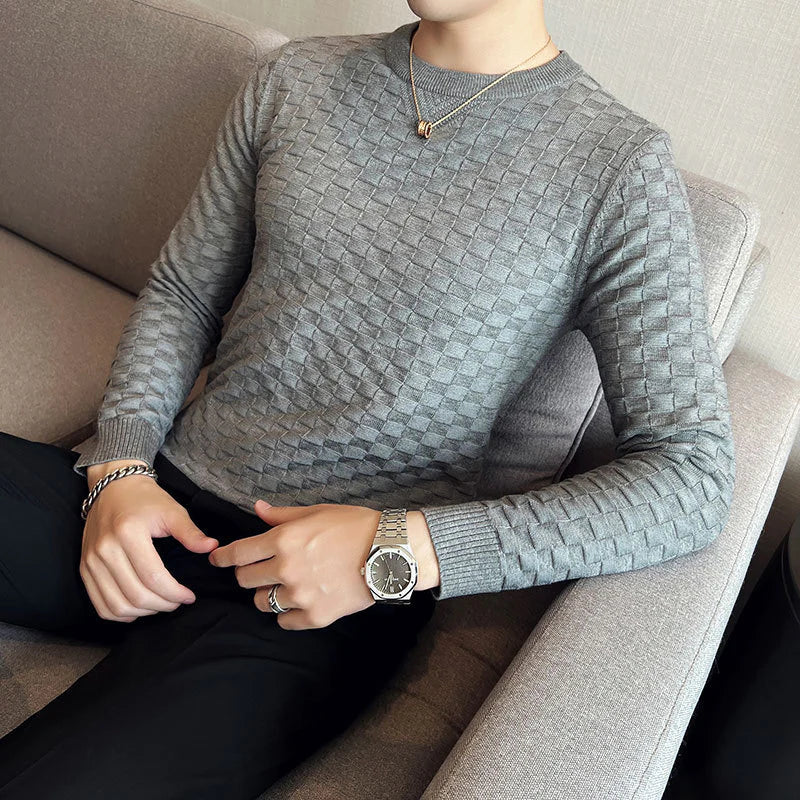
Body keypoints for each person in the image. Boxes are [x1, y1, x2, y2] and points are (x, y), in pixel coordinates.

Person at [0, 0, 736, 797]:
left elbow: (690, 477)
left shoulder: (616, 165)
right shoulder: (298, 78)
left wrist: (402, 550)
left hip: (325, 602)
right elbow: (184, 292)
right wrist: (120, 466)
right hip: (160, 500)